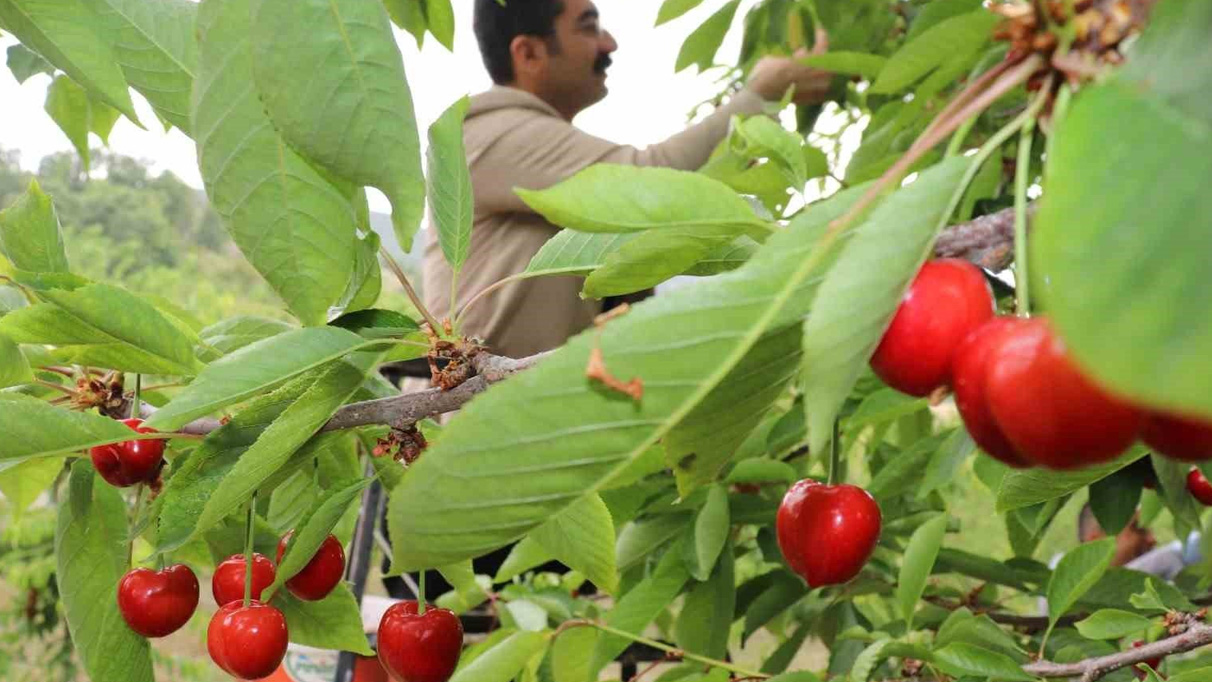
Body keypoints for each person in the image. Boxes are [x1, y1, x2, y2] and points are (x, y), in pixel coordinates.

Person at [420, 0, 834, 360]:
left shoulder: (517, 141)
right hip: (478, 420)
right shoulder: (492, 134)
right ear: (528, 53)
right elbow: (648, 183)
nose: (609, 44)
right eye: (588, 26)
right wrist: (759, 95)